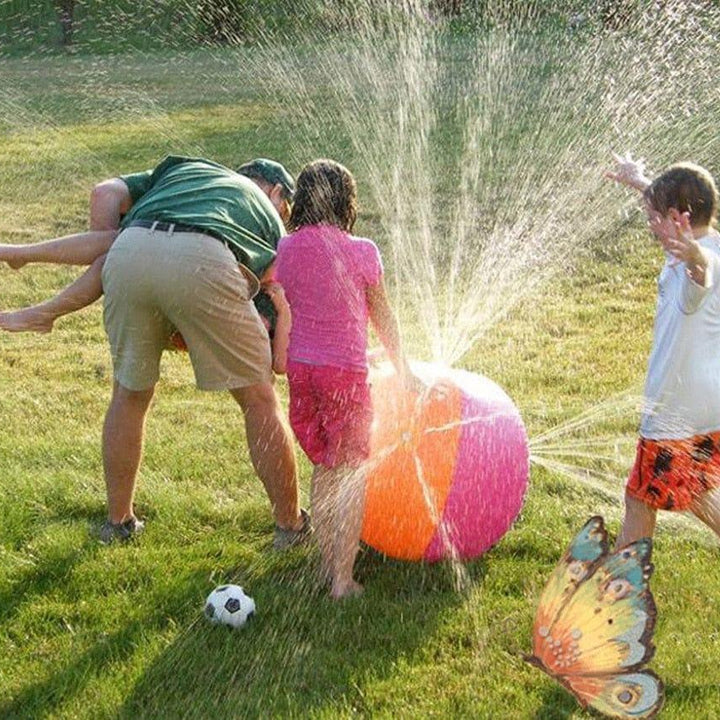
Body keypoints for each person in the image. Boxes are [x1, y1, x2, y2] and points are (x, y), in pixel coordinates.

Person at [4, 155, 309, 547]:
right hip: (206, 259)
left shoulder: (185, 170)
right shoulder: (267, 211)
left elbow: (104, 193)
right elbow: (268, 287)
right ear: (278, 192)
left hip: (128, 252)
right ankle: (290, 526)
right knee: (258, 399)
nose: (285, 218)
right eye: (287, 209)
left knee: (129, 395)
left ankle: (118, 523)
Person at [269, 159, 421, 599]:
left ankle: (324, 566)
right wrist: (403, 368)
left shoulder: (287, 250)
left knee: (324, 466)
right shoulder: (361, 251)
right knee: (351, 470)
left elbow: (306, 307)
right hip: (344, 377)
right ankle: (343, 579)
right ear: (345, 202)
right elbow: (382, 316)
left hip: (302, 372)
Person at [606, 154, 720, 546]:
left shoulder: (698, 264)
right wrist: (641, 182)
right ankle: (620, 585)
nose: (650, 225)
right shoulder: (712, 244)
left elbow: (701, 275)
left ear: (678, 218)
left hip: (675, 411)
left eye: (655, 216)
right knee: (682, 494)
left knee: (646, 498)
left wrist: (694, 258)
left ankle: (616, 592)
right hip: (705, 407)